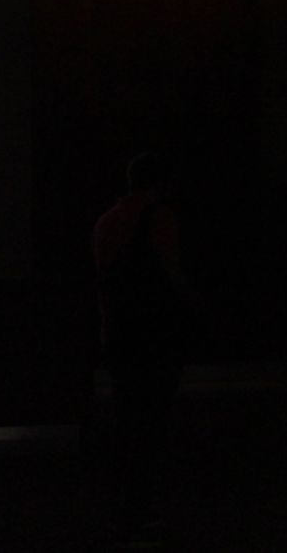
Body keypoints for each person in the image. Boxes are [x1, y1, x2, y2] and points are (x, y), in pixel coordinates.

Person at [93, 152, 189, 546]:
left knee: (127, 417)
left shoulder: (106, 222)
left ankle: (122, 509)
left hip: (119, 333)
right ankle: (142, 509)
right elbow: (172, 273)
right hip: (155, 334)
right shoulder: (159, 219)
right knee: (153, 422)